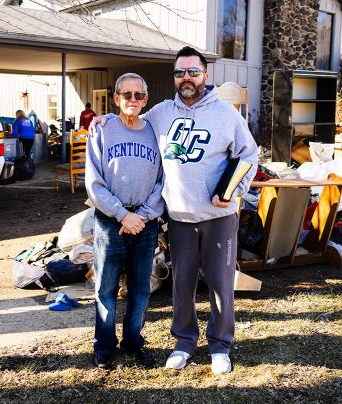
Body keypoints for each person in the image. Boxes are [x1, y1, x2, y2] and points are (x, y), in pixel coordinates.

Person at [91, 46, 258, 374]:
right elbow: (131, 117)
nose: (186, 78)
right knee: (181, 285)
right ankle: (183, 342)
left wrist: (235, 190)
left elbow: (249, 155)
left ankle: (220, 346)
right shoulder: (162, 113)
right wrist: (105, 119)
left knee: (220, 285)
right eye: (180, 73)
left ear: (205, 76)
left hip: (218, 218)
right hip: (180, 218)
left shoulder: (226, 115)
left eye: (193, 72)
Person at [85, 73, 164, 370]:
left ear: (146, 100)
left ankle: (133, 342)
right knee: (105, 289)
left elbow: (162, 181)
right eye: (126, 95)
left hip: (144, 224)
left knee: (141, 289)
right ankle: (104, 346)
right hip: (110, 222)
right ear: (116, 99)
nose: (133, 100)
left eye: (138, 95)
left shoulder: (155, 133)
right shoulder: (102, 130)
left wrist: (141, 216)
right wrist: (122, 214)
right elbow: (94, 182)